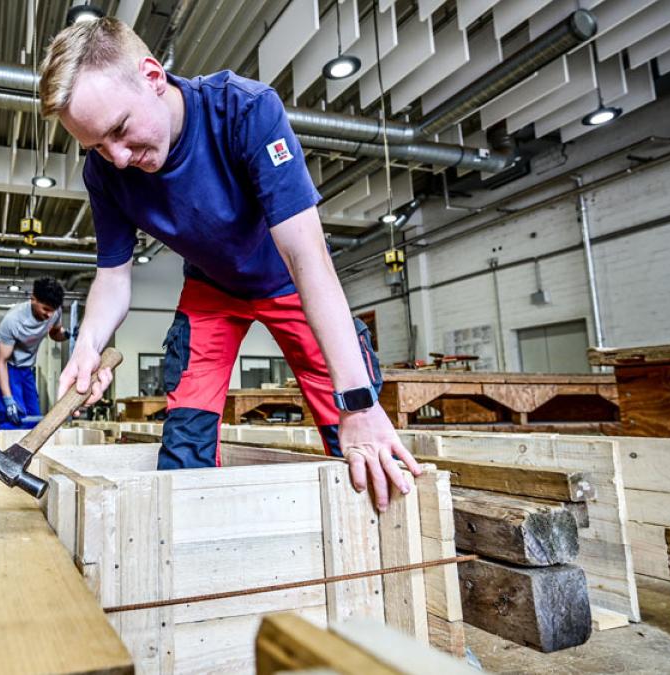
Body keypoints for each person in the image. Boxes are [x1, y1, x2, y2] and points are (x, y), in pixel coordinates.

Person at [39, 17, 420, 511]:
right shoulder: (105, 174)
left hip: (287, 280)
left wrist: (360, 403)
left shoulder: (244, 111)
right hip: (212, 290)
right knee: (186, 437)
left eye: (119, 130)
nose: (115, 157)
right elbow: (113, 275)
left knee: (352, 424)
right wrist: (88, 346)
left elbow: (308, 258)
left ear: (153, 77)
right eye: (96, 146)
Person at [0, 277, 71, 429]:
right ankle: (11, 449)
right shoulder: (13, 321)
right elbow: (1, 361)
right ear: (33, 299)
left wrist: (68, 335)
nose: (49, 315)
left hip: (26, 366)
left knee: (35, 416)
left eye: (52, 310)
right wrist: (8, 398)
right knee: (13, 416)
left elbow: (55, 333)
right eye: (45, 309)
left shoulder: (55, 311)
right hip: (6, 364)